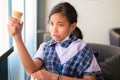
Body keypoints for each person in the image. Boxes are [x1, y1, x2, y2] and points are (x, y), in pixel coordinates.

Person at [7, 2, 104, 80]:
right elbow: (31, 69)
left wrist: (53, 77)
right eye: (51, 23)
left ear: (72, 26)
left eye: (60, 24)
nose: (54, 29)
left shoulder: (82, 48)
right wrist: (17, 37)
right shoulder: (45, 47)